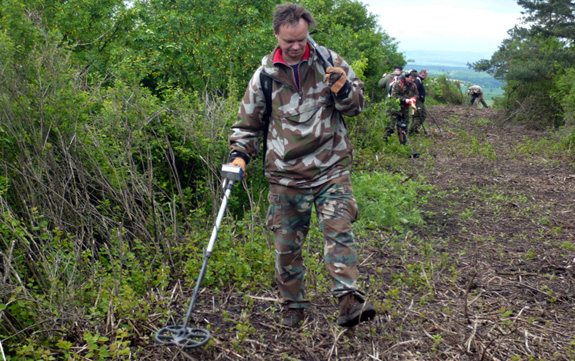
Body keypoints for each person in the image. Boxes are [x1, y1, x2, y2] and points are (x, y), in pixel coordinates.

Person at [228, 3, 376, 329]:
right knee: (286, 245)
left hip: (331, 166)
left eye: (301, 40)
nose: (296, 47)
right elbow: (247, 124)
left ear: (308, 33)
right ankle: (292, 305)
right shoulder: (264, 76)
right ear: (276, 36)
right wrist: (239, 155)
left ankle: (349, 300)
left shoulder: (329, 62)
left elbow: (357, 107)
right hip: (285, 174)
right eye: (289, 42)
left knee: (339, 231)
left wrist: (344, 90)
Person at [385, 69, 419, 144]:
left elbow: (416, 94)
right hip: (394, 108)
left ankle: (403, 144)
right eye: (411, 78)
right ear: (407, 76)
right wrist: (405, 100)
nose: (413, 80)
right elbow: (394, 96)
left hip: (405, 110)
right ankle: (385, 143)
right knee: (390, 126)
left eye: (414, 79)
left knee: (404, 127)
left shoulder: (413, 86)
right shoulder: (399, 83)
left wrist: (413, 98)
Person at [410, 69, 428, 134]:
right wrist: (418, 97)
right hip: (417, 101)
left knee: (424, 114)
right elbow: (413, 89)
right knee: (417, 115)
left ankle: (415, 128)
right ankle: (412, 131)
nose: (426, 76)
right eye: (426, 74)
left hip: (420, 101)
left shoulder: (419, 80)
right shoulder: (417, 80)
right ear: (423, 74)